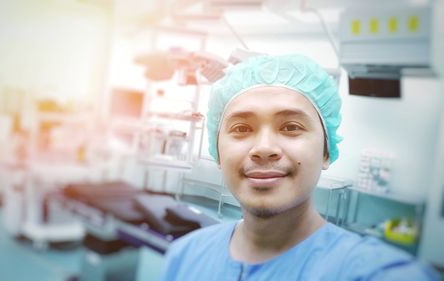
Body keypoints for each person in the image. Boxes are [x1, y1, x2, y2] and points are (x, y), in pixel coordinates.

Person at [160, 55, 439, 280]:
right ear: (217, 150)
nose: (264, 148)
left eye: (291, 127)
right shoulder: (184, 256)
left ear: (327, 151)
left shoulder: (375, 273)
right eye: (241, 128)